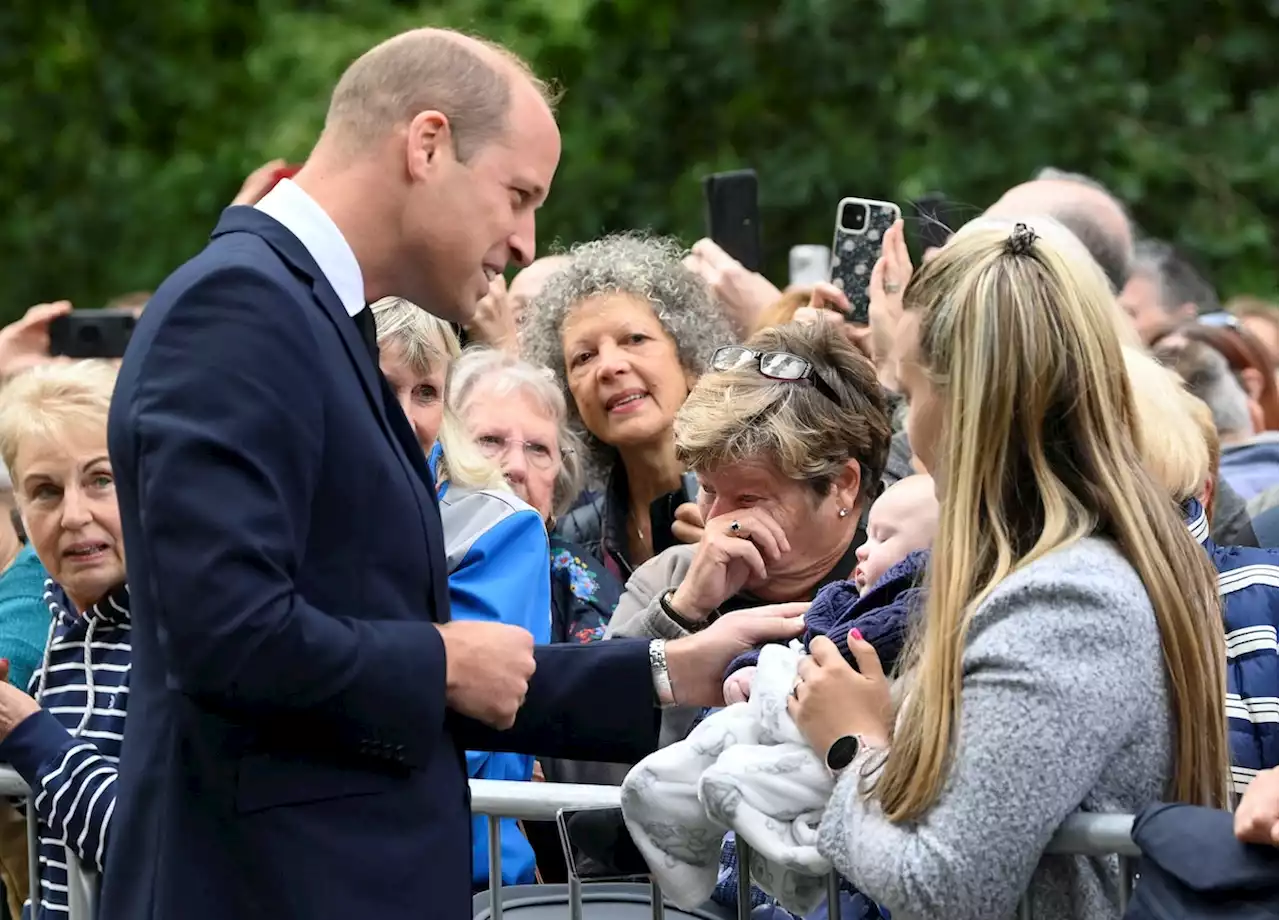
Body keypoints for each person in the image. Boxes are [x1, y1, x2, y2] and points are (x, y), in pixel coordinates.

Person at [102, 28, 803, 920]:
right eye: (518, 195)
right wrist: (435, 658)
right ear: (426, 145)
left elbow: (407, 664)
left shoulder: (308, 315)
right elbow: (226, 633)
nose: (524, 241)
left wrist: (665, 672)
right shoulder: (238, 308)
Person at [789, 219, 1229, 920]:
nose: (907, 428)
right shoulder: (1061, 575)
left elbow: (946, 886)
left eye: (909, 392)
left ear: (962, 403)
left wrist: (852, 745)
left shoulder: (1067, 602)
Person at [522, 233, 735, 576]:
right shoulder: (568, 545)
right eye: (584, 357)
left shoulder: (760, 501)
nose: (608, 367)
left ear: (691, 362)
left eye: (635, 339)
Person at [0, 361, 131, 918]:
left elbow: (151, 844)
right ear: (21, 518)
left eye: (101, 479)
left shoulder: (186, 640)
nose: (75, 515)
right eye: (46, 492)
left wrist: (29, 735)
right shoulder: (60, 629)